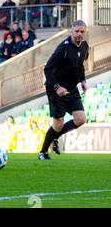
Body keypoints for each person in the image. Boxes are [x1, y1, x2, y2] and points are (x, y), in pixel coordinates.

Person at [38, 20, 89, 160]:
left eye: (82, 32)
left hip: (71, 88)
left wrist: (83, 81)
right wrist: (57, 87)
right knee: (58, 123)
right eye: (77, 31)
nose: (79, 34)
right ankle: (43, 152)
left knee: (81, 119)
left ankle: (56, 136)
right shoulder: (63, 48)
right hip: (55, 88)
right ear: (71, 31)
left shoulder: (85, 46)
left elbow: (80, 65)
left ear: (85, 33)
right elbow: (47, 68)